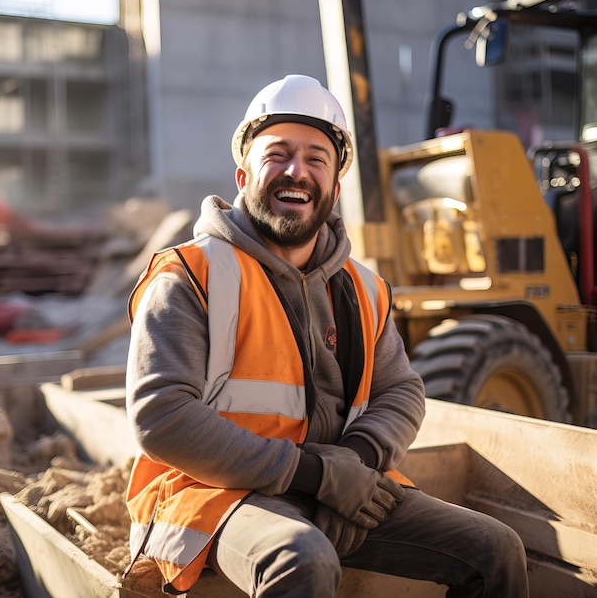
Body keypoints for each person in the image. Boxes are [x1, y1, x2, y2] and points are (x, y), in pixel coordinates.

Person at [124, 74, 529, 597]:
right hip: (213, 495)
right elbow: (162, 418)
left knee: (495, 549)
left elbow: (401, 390)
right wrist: (314, 477)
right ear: (243, 173)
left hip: (339, 482)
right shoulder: (188, 275)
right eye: (279, 154)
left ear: (335, 187)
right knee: (301, 558)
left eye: (317, 158)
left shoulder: (365, 288)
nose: (298, 170)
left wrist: (354, 466)